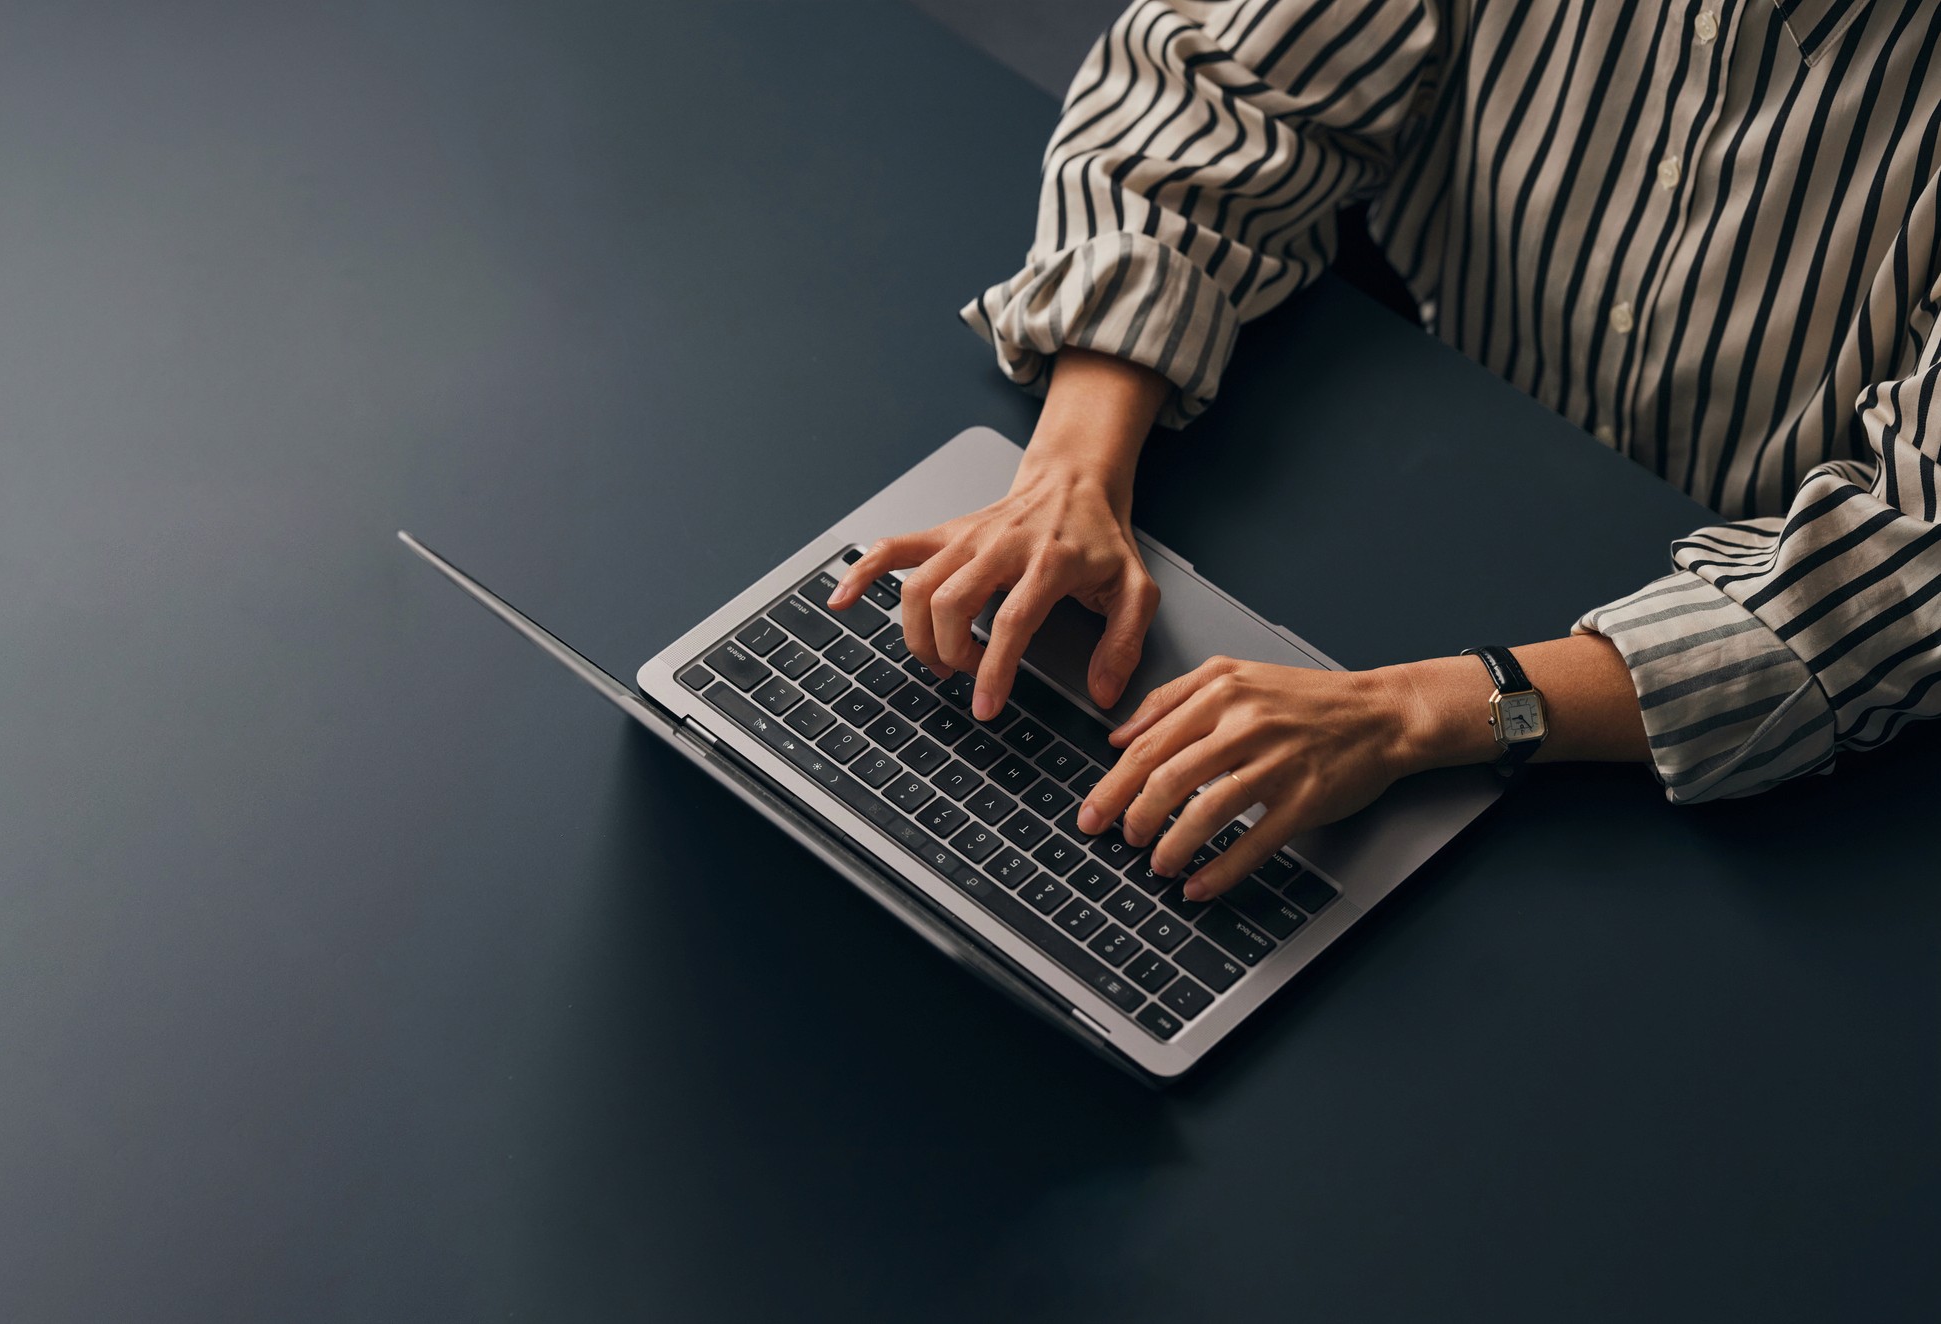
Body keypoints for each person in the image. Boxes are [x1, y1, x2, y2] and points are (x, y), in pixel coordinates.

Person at [826, 0, 1941, 901]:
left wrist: (1410, 714)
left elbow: (1904, 566)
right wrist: (1070, 468)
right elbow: (1217, 86)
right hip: (1439, 469)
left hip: (1739, 762)